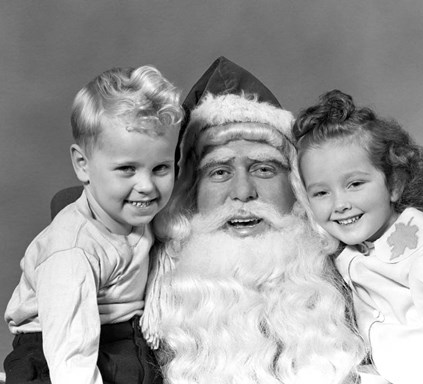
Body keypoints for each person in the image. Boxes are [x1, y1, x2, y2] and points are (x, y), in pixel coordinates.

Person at [140, 57, 365, 384]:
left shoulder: (359, 280)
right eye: (219, 171)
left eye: (264, 169)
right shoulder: (142, 293)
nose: (243, 193)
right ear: (190, 194)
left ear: (296, 189)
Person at [4, 65, 183, 384]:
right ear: (82, 165)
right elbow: (71, 354)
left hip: (123, 336)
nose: (147, 186)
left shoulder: (136, 213)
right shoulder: (72, 251)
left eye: (160, 168)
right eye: (127, 169)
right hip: (55, 349)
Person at [293, 89, 423, 384]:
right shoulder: (346, 258)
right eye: (321, 192)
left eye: (354, 183)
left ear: (394, 184)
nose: (339, 203)